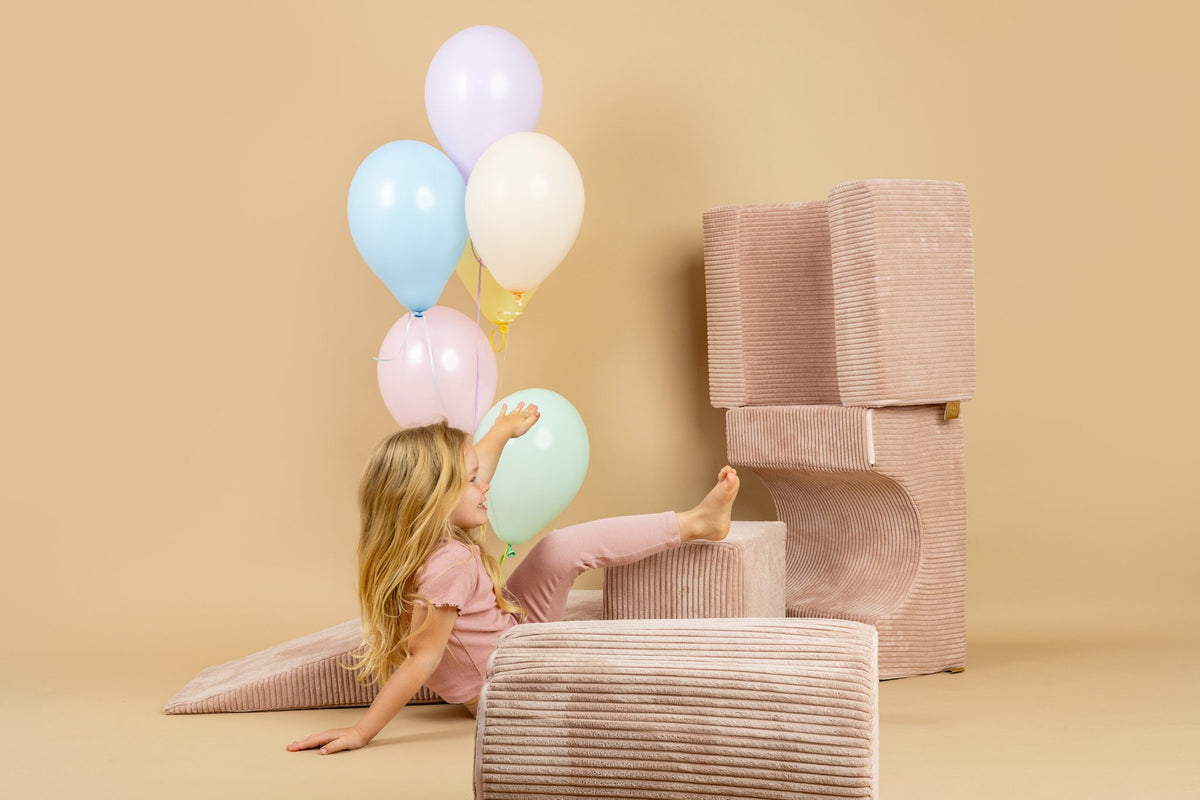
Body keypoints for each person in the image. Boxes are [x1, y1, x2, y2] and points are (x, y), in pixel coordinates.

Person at [287, 403, 739, 755]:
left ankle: (698, 522)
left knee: (557, 549)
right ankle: (695, 523)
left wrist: (501, 432)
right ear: (429, 499)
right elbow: (422, 661)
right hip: (506, 677)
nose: (484, 485)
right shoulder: (448, 567)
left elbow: (473, 469)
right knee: (570, 571)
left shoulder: (434, 535)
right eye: (471, 482)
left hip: (510, 636)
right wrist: (361, 731)